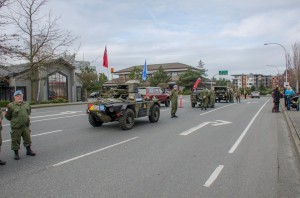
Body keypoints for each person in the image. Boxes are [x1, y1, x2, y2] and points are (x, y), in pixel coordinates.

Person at [5, 90, 36, 160]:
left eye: (20, 95)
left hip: (25, 125)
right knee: (15, 140)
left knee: (27, 138)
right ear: (14, 97)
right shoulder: (10, 106)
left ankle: (28, 150)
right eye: (17, 96)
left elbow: (28, 112)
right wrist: (15, 121)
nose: (19, 97)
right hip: (16, 127)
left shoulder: (27, 104)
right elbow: (7, 116)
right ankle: (16, 153)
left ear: (22, 96)